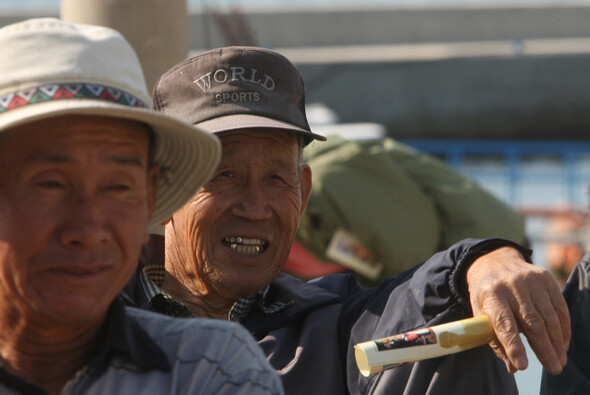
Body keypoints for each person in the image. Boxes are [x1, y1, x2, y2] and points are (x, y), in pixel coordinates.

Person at [130, 46, 569, 394]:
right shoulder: (94, 317)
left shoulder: (336, 324)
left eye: (277, 179)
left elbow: (415, 304)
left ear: (303, 193)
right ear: (162, 190)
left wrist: (483, 263)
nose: (256, 205)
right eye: (224, 175)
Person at [0, 19, 283, 395]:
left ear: (151, 194)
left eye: (118, 188)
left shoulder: (209, 368)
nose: (88, 231)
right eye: (50, 185)